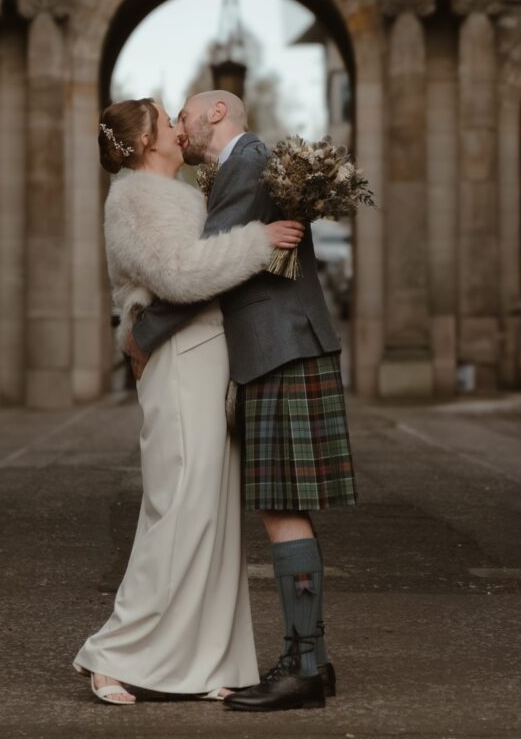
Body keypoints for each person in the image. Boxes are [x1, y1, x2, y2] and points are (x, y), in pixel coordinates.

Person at [126, 90, 357, 712]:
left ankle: (304, 667)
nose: (179, 127)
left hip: (281, 348)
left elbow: (204, 268)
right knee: (282, 504)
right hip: (278, 348)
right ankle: (312, 660)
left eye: (185, 117)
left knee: (282, 506)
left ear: (217, 114)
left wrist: (141, 334)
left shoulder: (246, 163)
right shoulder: (241, 166)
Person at [72, 97, 304, 705]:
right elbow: (180, 275)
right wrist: (260, 242)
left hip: (203, 355)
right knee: (178, 508)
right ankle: (112, 656)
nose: (178, 128)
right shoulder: (135, 198)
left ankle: (204, 663)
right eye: (165, 120)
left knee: (213, 513)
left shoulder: (172, 193)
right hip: (179, 360)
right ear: (148, 141)